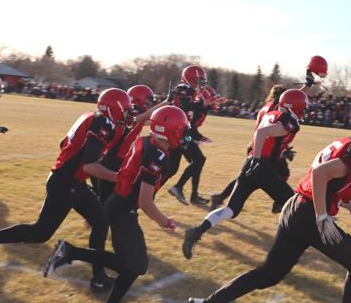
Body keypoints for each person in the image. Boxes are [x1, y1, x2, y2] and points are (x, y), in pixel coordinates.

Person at [185, 106, 351, 303]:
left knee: (270, 273)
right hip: (309, 214)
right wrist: (322, 216)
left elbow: (331, 184)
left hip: (295, 207)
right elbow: (321, 174)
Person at [0, 88, 133, 292]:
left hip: (73, 182)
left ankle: (98, 277)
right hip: (66, 183)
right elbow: (89, 166)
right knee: (40, 233)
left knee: (101, 223)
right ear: (115, 107)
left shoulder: (92, 117)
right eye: (126, 109)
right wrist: (120, 178)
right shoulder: (103, 123)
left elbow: (64, 145)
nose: (127, 114)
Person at [42, 106, 188, 303]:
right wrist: (164, 221)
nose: (183, 133)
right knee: (137, 265)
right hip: (122, 210)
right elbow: (144, 201)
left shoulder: (150, 142)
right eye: (181, 129)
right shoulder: (156, 155)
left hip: (118, 205)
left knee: (127, 264)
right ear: (171, 131)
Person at [182, 89, 309, 260]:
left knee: (231, 209)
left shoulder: (272, 112)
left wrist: (265, 157)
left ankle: (196, 231)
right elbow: (262, 133)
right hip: (264, 168)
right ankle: (285, 251)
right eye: (304, 107)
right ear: (296, 106)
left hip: (250, 163)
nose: (305, 111)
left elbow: (268, 139)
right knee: (295, 206)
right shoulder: (289, 120)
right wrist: (259, 160)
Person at [209, 84, 294, 213]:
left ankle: (220, 197)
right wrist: (281, 150)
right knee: (278, 174)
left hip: (256, 143)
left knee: (245, 178)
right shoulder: (275, 108)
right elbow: (269, 134)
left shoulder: (266, 107)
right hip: (264, 147)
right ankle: (280, 203)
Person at [89, 84, 168, 204]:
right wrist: (165, 103)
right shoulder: (135, 110)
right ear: (138, 98)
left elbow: (146, 121)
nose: (149, 103)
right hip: (113, 159)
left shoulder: (132, 113)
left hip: (113, 158)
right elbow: (138, 118)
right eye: (147, 100)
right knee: (108, 200)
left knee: (106, 197)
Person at [168, 66, 213, 206]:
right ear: (190, 78)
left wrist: (198, 136)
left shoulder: (191, 91)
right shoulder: (184, 88)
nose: (201, 83)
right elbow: (185, 106)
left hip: (184, 133)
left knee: (177, 167)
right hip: (180, 134)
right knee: (199, 160)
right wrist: (203, 103)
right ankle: (178, 188)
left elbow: (189, 116)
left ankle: (193, 195)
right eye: (199, 79)